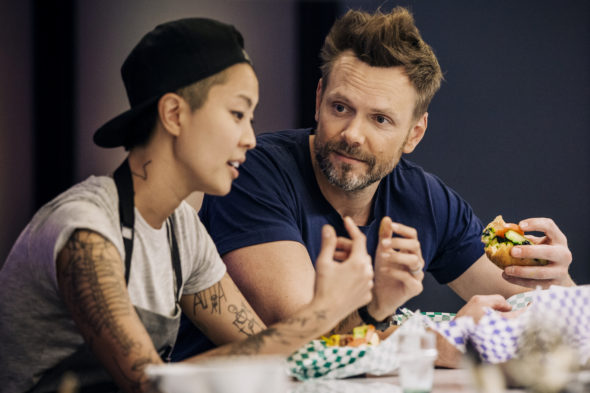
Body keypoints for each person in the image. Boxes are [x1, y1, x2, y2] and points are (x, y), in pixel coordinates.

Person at [173, 7, 575, 361]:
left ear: (415, 134)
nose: (352, 134)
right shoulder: (255, 171)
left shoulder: (426, 199)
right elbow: (303, 333)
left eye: (380, 119)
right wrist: (437, 340)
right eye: (340, 107)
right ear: (319, 99)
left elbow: (536, 313)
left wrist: (553, 282)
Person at [0, 18, 377, 393]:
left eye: (251, 118)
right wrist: (318, 314)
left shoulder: (182, 230)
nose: (250, 139)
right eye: (237, 114)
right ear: (174, 114)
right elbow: (147, 383)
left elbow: (266, 353)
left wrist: (353, 311)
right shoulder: (85, 231)